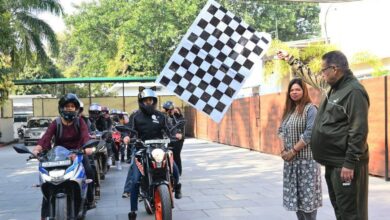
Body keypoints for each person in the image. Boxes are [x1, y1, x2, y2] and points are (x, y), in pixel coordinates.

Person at [279, 50, 369, 220]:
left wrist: (349, 163)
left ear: (334, 69)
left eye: (323, 70)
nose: (321, 74)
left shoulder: (353, 91)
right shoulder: (331, 86)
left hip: (345, 165)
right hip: (333, 162)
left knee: (351, 212)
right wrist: (290, 60)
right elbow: (309, 76)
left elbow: (359, 130)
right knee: (340, 209)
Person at [32, 93, 96, 219]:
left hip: (77, 154)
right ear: (62, 108)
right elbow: (46, 137)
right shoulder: (56, 123)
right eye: (67, 106)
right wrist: (37, 149)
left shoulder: (80, 122)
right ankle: (45, 212)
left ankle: (90, 200)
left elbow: (85, 136)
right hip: (58, 157)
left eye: (72, 106)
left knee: (89, 171)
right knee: (48, 181)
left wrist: (87, 148)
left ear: (76, 109)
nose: (70, 108)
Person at [123, 87, 183, 220]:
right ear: (141, 101)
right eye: (146, 100)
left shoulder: (161, 116)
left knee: (175, 169)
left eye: (151, 100)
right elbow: (129, 130)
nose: (149, 103)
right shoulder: (135, 116)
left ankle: (177, 186)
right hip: (141, 148)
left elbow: (168, 130)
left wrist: (175, 134)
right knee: (136, 179)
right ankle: (133, 211)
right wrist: (127, 137)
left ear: (154, 101)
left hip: (159, 147)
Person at [278, 78, 322, 220]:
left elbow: (309, 133)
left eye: (297, 89)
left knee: (308, 205)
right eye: (291, 90)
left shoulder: (311, 109)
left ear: (304, 91)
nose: (294, 92)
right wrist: (283, 151)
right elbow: (280, 131)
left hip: (306, 164)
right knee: (297, 203)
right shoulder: (289, 111)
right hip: (291, 164)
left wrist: (293, 151)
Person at [162, 101, 186, 175]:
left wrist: (175, 114)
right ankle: (170, 171)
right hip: (168, 139)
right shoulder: (164, 116)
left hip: (177, 140)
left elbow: (181, 124)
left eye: (171, 109)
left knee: (176, 155)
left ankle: (178, 172)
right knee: (167, 155)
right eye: (167, 109)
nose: (170, 111)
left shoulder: (178, 117)